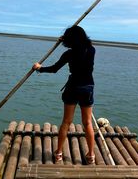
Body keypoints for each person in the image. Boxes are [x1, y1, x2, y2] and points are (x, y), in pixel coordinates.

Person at [32, 25, 96, 165]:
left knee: (66, 122)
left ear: (69, 39)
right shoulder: (91, 50)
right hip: (87, 88)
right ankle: (91, 155)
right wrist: (66, 39)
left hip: (73, 88)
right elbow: (87, 43)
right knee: (88, 123)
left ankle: (59, 153)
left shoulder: (69, 54)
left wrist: (39, 68)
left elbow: (54, 69)